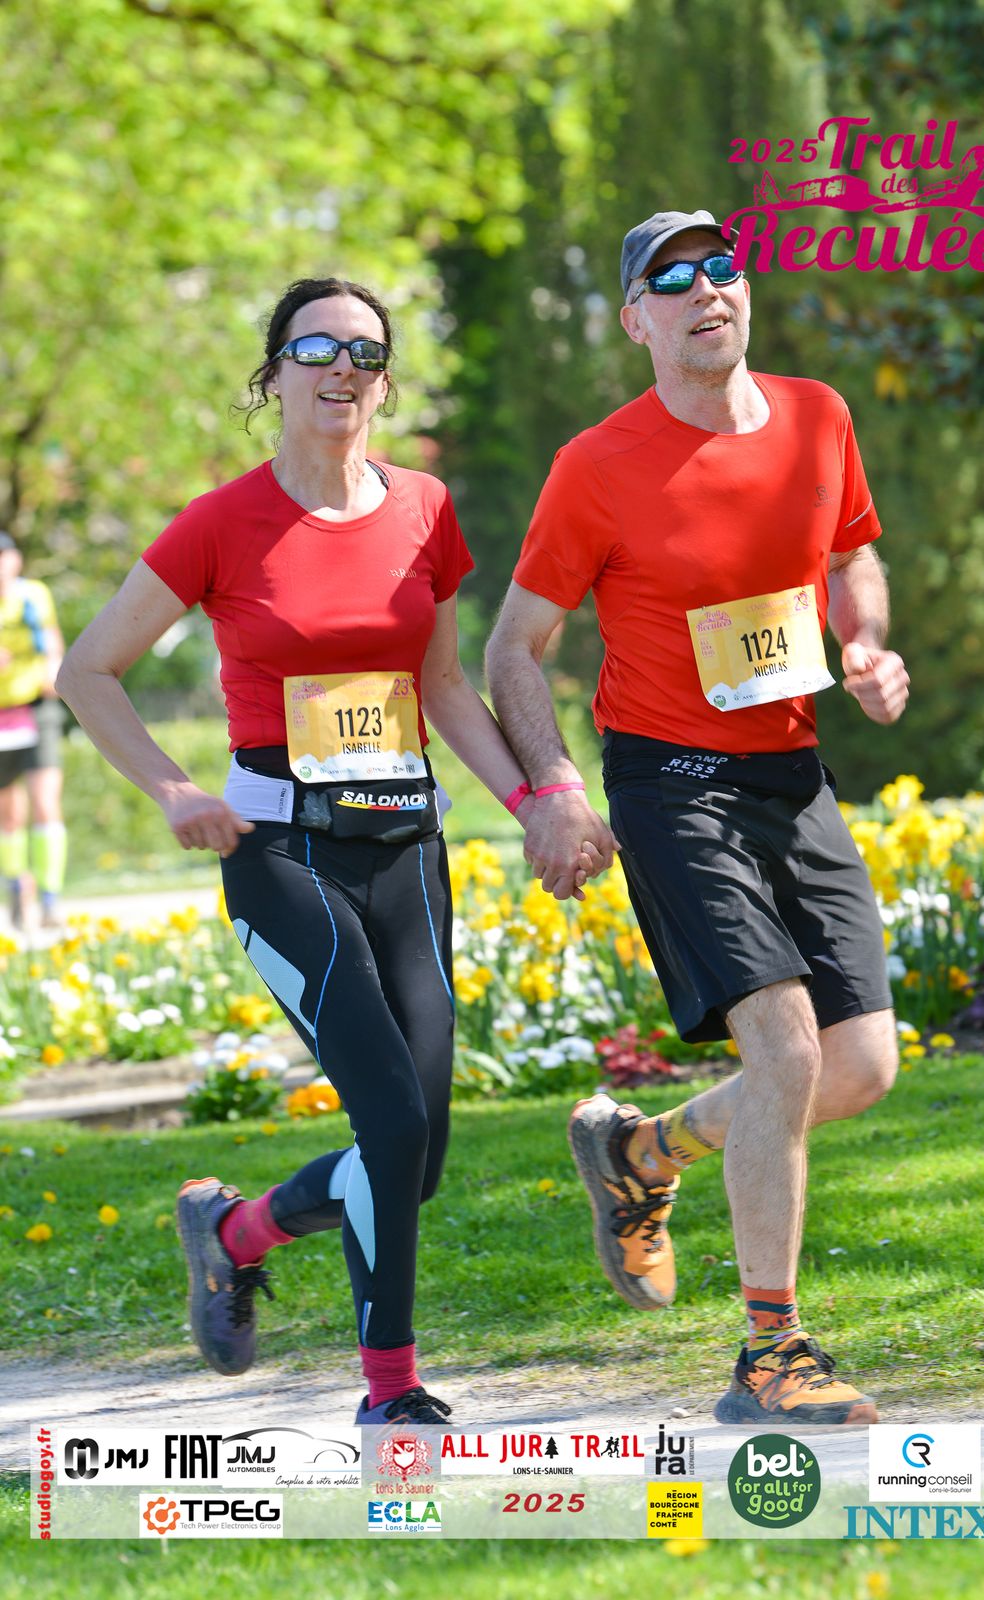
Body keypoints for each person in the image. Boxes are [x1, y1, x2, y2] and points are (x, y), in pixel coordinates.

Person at [58, 276, 595, 1427]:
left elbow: (440, 685)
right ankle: (389, 1390)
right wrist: (173, 788)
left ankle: (236, 1229)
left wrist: (532, 801)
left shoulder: (424, 506)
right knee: (388, 1127)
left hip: (407, 848)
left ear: (384, 383)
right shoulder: (220, 522)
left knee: (417, 1157)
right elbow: (86, 671)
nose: (342, 368)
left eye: (365, 352)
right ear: (274, 375)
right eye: (316, 349)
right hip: (282, 852)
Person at [486, 209, 909, 1425]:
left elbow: (852, 556)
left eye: (720, 266)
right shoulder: (597, 463)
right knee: (782, 1048)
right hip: (670, 779)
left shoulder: (817, 416)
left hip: (790, 771)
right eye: (670, 280)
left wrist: (862, 643)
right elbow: (514, 646)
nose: (704, 289)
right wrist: (554, 788)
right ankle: (769, 1354)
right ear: (635, 320)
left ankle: (643, 1152)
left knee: (859, 1065)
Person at [0, 532, 67, 929]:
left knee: (46, 801)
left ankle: (50, 897)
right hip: (1, 713)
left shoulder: (34, 595)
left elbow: (51, 639)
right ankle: (16, 887)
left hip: (36, 709)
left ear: (16, 561)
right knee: (9, 813)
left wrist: (54, 668)